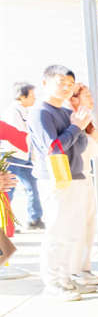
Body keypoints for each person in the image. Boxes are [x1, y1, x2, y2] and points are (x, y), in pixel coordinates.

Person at [26, 65, 98, 300]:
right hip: (56, 178)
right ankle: (54, 282)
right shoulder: (41, 112)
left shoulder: (67, 112)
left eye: (70, 84)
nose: (66, 87)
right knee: (58, 232)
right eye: (61, 82)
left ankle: (66, 278)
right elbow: (54, 148)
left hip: (75, 176)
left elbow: (80, 145)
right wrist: (76, 127)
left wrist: (80, 127)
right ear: (45, 83)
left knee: (72, 233)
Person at [3, 82, 41, 229]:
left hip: (25, 157)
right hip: (12, 157)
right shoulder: (13, 112)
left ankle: (35, 219)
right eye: (32, 95)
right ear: (22, 97)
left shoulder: (25, 111)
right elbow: (18, 136)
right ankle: (5, 224)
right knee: (8, 190)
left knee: (32, 187)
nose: (35, 98)